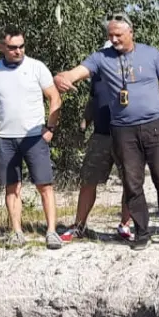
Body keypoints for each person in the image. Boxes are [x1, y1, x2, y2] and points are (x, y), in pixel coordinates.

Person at [53, 13, 159, 250]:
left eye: (118, 35)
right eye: (110, 35)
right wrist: (62, 77)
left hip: (155, 126)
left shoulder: (151, 54)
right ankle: (141, 233)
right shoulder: (101, 58)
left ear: (130, 32)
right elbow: (77, 72)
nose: (114, 39)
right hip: (123, 130)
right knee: (132, 183)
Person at [0, 26, 64, 249]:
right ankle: (17, 232)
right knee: (12, 186)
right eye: (12, 47)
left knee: (44, 185)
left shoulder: (37, 67)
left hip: (34, 137)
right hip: (5, 138)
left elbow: (54, 98)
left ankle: (51, 232)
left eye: (21, 46)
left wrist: (50, 128)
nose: (18, 51)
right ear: (2, 47)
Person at [58, 66, 135, 243]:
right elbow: (93, 101)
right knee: (88, 180)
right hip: (100, 136)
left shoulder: (133, 72)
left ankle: (125, 225)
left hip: (127, 136)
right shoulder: (97, 76)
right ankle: (79, 226)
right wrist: (83, 125)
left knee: (131, 182)